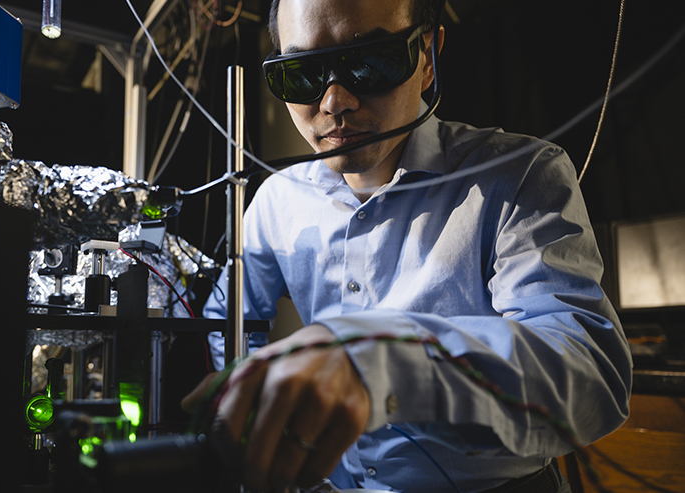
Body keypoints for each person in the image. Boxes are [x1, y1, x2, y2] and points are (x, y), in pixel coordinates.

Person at [196, 0, 633, 491]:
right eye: (301, 72)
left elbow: (591, 378)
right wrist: (264, 413)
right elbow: (227, 322)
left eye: (369, 61)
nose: (334, 99)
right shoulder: (278, 199)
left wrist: (384, 362)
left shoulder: (519, 175)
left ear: (427, 55)